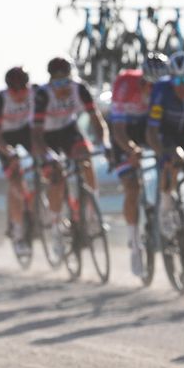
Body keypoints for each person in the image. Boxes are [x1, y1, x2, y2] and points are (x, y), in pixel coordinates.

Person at [31, 57, 110, 256]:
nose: (62, 87)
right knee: (56, 179)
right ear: (50, 81)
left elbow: (96, 119)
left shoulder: (79, 89)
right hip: (46, 137)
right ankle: (56, 226)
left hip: (68, 130)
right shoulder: (43, 95)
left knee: (86, 159)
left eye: (65, 81)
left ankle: (92, 212)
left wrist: (105, 143)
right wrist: (48, 156)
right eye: (56, 83)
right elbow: (36, 135)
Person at [110, 53, 168, 277]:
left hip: (150, 129)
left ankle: (165, 209)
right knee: (132, 187)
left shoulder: (164, 90)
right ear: (142, 80)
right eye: (149, 86)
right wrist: (130, 150)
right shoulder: (125, 85)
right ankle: (134, 242)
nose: (153, 91)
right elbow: (117, 131)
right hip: (125, 130)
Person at [147, 51, 184, 238]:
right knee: (173, 160)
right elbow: (151, 130)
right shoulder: (161, 90)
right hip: (167, 133)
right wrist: (162, 153)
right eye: (176, 82)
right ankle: (166, 206)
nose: (181, 87)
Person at [0, 66, 36, 256]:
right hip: (5, 138)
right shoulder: (0, 99)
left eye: (22, 90)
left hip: (27, 134)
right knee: (16, 181)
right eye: (14, 91)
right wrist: (9, 153)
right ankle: (18, 233)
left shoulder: (35, 93)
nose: (18, 95)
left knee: (49, 167)